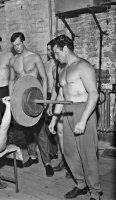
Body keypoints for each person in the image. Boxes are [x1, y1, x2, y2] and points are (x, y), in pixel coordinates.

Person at [49, 34, 102, 200]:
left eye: (56, 53)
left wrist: (84, 119)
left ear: (65, 49)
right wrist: (54, 118)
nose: (55, 57)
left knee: (87, 153)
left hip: (83, 110)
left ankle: (95, 191)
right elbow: (60, 97)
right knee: (70, 152)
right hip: (67, 111)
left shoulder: (84, 66)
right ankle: (81, 184)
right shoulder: (61, 68)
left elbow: (94, 94)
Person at [9, 32, 54, 177]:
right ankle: (33, 156)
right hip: (21, 99)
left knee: (40, 132)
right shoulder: (13, 61)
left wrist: (45, 99)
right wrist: (12, 99)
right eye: (14, 45)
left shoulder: (34, 57)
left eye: (18, 44)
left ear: (23, 41)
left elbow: (44, 78)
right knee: (26, 130)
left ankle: (47, 163)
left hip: (35, 97)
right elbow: (11, 81)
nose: (16, 47)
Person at [46, 40, 71, 178]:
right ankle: (64, 161)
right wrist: (51, 105)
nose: (51, 53)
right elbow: (56, 91)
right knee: (60, 133)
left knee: (70, 136)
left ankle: (72, 165)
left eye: (53, 51)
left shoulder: (70, 65)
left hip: (71, 106)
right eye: (49, 51)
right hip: (59, 103)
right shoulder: (56, 68)